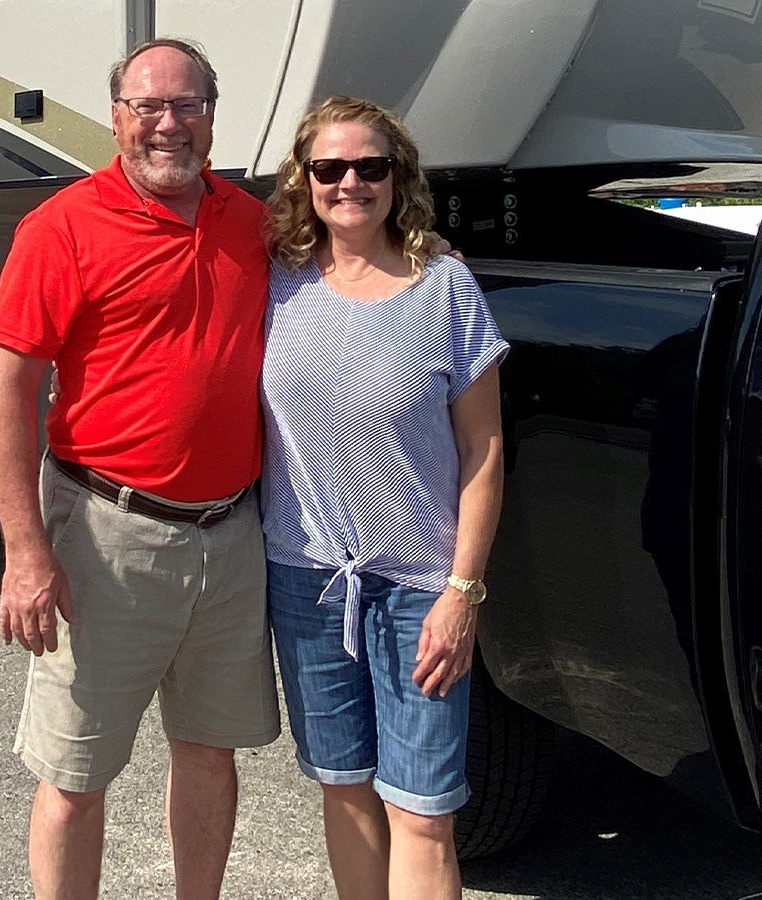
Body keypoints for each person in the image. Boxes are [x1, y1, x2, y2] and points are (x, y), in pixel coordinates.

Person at [0, 38, 280, 900]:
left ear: (212, 117)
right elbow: (7, 393)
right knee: (76, 777)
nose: (167, 126)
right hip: (105, 536)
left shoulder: (247, 223)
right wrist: (25, 553)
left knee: (210, 753)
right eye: (147, 107)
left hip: (230, 536)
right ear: (116, 117)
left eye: (186, 105)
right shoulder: (61, 229)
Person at [260, 96, 508, 899]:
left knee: (425, 812)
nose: (351, 184)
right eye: (330, 169)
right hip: (307, 583)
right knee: (346, 789)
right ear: (305, 180)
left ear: (400, 178)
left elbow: (484, 448)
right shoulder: (275, 281)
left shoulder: (446, 288)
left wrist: (461, 591)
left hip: (420, 594)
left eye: (372, 167)